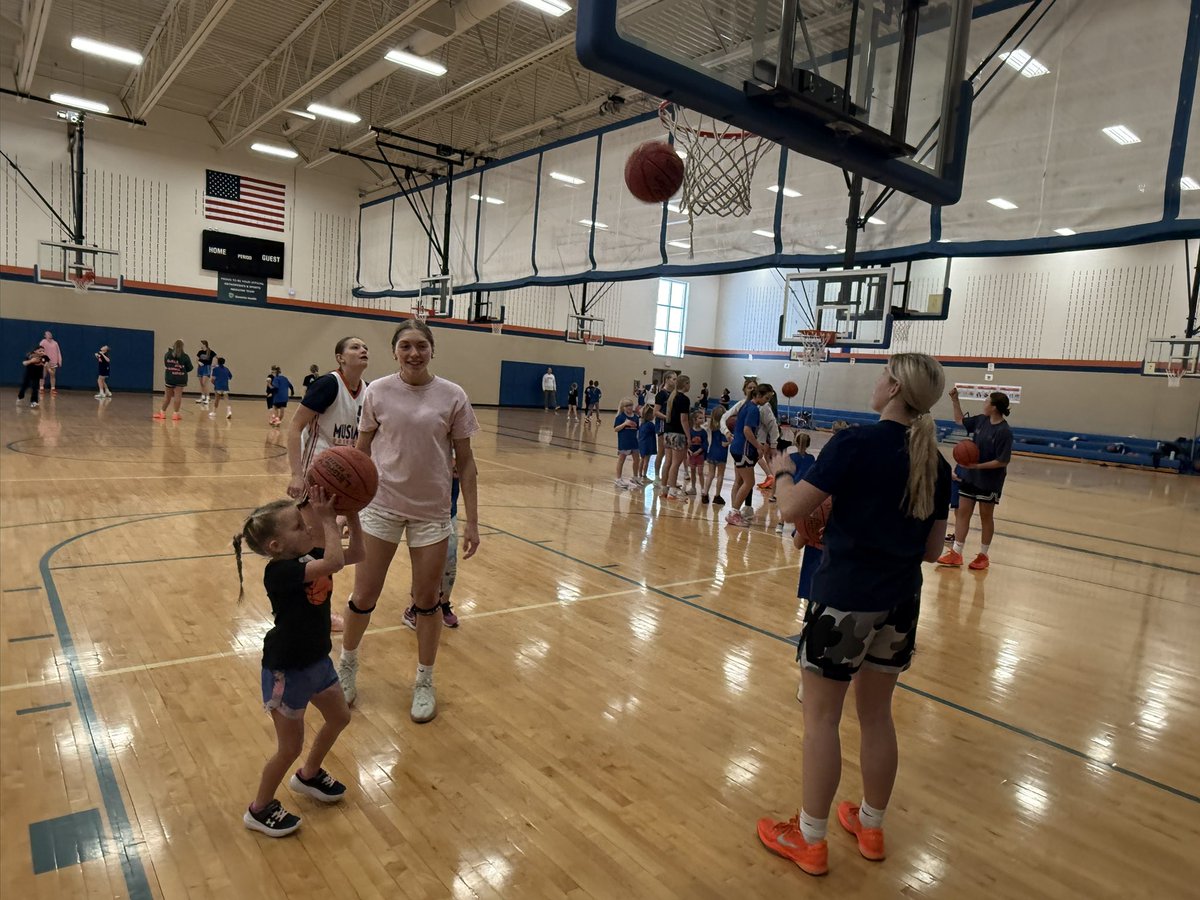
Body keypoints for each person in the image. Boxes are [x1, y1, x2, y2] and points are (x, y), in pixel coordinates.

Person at [757, 353, 950, 877]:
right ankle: (870, 824)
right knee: (877, 717)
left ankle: (811, 838)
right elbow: (933, 551)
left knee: (821, 718)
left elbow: (794, 510)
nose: (876, 380)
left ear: (892, 388)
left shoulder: (855, 444)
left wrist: (781, 473)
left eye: (882, 373)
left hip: (845, 599)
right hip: (901, 602)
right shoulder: (936, 461)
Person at [339, 319, 480, 722]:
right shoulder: (378, 392)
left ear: (432, 349)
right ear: (395, 351)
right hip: (382, 507)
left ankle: (424, 680)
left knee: (426, 600)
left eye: (421, 345)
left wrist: (471, 521)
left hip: (432, 513)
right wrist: (350, 511)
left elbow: (466, 464)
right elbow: (359, 456)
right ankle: (347, 666)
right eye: (405, 346)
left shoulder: (453, 396)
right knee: (364, 595)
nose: (414, 353)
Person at [232, 486, 362, 837]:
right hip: (286, 670)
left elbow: (357, 552)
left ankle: (309, 775)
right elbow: (335, 561)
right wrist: (328, 522)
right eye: (297, 526)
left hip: (317, 661)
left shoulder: (310, 555)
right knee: (289, 747)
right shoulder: (280, 572)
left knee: (340, 717)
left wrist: (350, 510)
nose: (307, 528)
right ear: (276, 546)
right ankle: (259, 809)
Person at [938, 389, 1013, 570]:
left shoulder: (1004, 431)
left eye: (986, 401)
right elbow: (959, 420)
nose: (984, 403)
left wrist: (977, 466)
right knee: (963, 512)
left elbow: (1002, 461)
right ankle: (956, 552)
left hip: (990, 480)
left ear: (994, 407)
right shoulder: (981, 420)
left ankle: (983, 555)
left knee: (986, 517)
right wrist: (955, 400)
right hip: (970, 476)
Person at [403, 461, 463, 630]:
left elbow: (467, 468)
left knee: (450, 559)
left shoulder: (459, 441)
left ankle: (443, 603)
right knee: (423, 562)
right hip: (420, 506)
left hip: (446, 509)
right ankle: (414, 606)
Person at [725, 384, 774, 526]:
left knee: (739, 482)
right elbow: (747, 430)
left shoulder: (746, 405)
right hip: (743, 449)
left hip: (737, 447)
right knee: (749, 482)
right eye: (766, 398)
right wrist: (758, 446)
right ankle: (733, 512)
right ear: (758, 395)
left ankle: (734, 512)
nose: (767, 401)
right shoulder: (753, 409)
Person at [659, 375, 691, 501]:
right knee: (675, 464)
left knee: (668, 461)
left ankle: (664, 489)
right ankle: (672, 491)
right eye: (689, 383)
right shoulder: (684, 399)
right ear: (685, 384)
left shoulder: (672, 397)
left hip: (667, 432)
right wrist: (688, 436)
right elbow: (684, 420)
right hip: (678, 433)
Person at [154, 340, 192, 421]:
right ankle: (175, 414)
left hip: (170, 377)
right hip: (181, 378)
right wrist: (181, 369)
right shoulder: (185, 356)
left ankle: (162, 413)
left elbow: (166, 364)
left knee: (167, 397)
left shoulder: (167, 354)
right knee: (178, 397)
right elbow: (190, 368)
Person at [702, 404, 729, 505]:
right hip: (721, 453)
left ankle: (705, 494)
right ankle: (717, 496)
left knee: (710, 474)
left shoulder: (712, 426)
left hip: (712, 452)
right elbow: (724, 443)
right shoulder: (724, 429)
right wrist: (731, 440)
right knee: (720, 475)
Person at [613, 397, 641, 488]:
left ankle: (635, 477)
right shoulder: (620, 417)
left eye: (631, 405)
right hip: (624, 441)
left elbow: (637, 429)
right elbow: (616, 429)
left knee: (637, 459)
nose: (629, 407)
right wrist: (625, 424)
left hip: (634, 441)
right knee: (622, 460)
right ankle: (618, 479)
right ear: (623, 407)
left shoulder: (636, 417)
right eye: (627, 406)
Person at [654, 374, 676, 477]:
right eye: (674, 379)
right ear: (667, 379)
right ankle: (657, 476)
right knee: (661, 452)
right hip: (662, 425)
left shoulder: (674, 393)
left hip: (672, 426)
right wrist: (667, 417)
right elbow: (656, 412)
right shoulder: (661, 394)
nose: (675, 381)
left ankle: (668, 478)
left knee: (671, 454)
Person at [685, 408, 708, 496]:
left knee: (700, 472)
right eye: (700, 418)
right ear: (694, 420)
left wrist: (698, 451)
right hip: (691, 455)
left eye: (703, 418)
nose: (702, 420)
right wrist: (689, 450)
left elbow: (705, 444)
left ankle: (703, 489)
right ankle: (693, 488)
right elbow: (687, 442)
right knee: (693, 471)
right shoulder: (690, 431)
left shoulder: (703, 432)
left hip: (700, 455)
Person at [636, 403, 657, 482]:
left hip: (641, 444)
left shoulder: (642, 424)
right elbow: (656, 431)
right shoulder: (650, 425)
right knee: (646, 461)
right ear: (649, 415)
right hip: (648, 445)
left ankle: (640, 474)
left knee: (642, 459)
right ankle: (644, 475)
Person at [195, 340, 216, 405]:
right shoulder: (200, 352)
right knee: (201, 383)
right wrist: (198, 362)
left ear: (204, 344)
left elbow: (216, 358)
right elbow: (196, 359)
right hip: (200, 368)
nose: (200, 345)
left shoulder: (211, 352)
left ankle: (208, 397)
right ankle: (202, 397)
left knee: (205, 383)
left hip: (207, 368)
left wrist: (213, 365)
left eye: (201, 344)